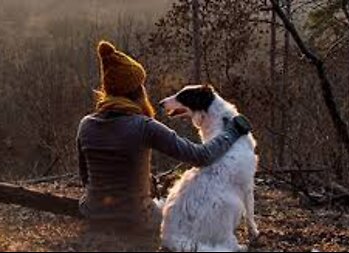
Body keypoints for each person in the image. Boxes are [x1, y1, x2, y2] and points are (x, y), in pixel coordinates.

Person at [76, 40, 251, 234]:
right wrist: (232, 131)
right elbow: (202, 156)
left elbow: (86, 178)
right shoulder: (144, 126)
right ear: (137, 91)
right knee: (175, 212)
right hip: (137, 220)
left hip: (94, 215)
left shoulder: (86, 125)